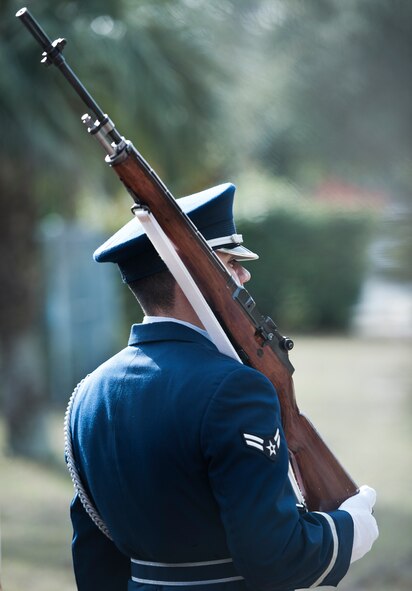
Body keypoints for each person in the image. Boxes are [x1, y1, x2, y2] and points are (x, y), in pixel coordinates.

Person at [67, 183, 378, 591]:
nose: (244, 276)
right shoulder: (236, 390)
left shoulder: (87, 396)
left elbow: (94, 562)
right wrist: (348, 530)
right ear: (195, 276)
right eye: (231, 264)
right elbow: (274, 558)